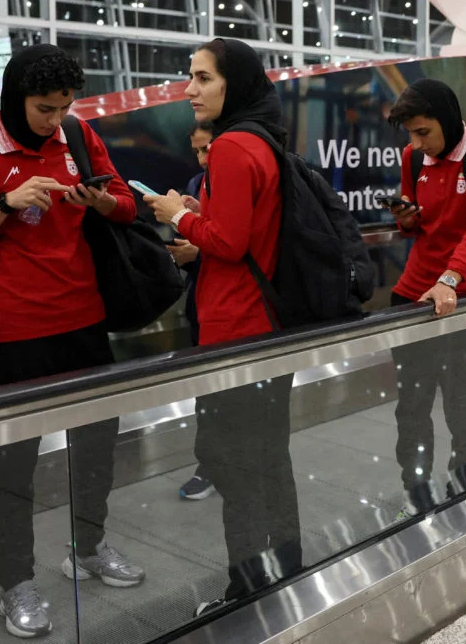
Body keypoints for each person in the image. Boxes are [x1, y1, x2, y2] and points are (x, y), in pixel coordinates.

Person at [0, 44, 144, 639]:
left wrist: (98, 200)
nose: (55, 120)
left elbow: (127, 207)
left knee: (97, 446)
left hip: (84, 320)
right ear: (14, 100)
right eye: (44, 109)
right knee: (14, 465)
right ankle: (14, 583)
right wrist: (4, 204)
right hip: (14, 333)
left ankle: (88, 547)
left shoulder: (78, 137)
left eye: (63, 107)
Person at [145, 38, 300, 617]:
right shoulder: (264, 139)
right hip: (266, 326)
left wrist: (177, 216)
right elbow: (247, 234)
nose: (190, 89)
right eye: (191, 76)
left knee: (236, 468)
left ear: (234, 83)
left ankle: (246, 590)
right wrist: (199, 216)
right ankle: (286, 571)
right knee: (270, 461)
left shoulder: (233, 145)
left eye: (204, 78)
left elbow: (230, 244)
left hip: (236, 332)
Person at [384, 79, 466, 517]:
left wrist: (450, 279)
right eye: (411, 134)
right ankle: (415, 492)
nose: (418, 144)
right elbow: (416, 227)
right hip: (414, 293)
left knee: (464, 404)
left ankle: (465, 487)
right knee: (412, 407)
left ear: (448, 119)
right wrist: (406, 218)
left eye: (424, 132)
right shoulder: (412, 156)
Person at [169, 121, 215, 501]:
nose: (202, 159)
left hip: (237, 308)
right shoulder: (195, 185)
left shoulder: (240, 181)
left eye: (207, 149)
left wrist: (199, 252)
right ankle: (210, 465)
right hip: (202, 299)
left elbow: (239, 246)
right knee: (208, 391)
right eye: (197, 151)